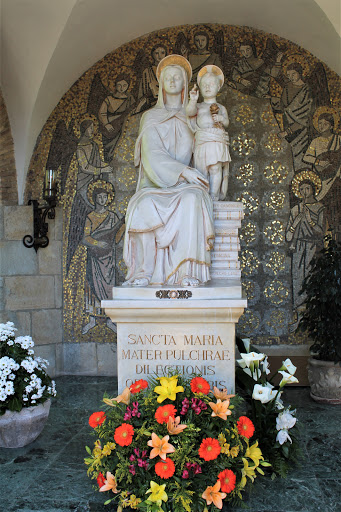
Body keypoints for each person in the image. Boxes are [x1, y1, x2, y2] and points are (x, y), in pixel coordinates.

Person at [123, 55, 215, 287]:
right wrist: (183, 171)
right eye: (168, 78)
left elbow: (205, 147)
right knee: (142, 205)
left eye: (177, 78)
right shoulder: (150, 117)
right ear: (160, 83)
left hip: (185, 187)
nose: (173, 81)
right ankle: (144, 272)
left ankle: (186, 272)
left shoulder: (193, 116)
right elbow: (152, 154)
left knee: (193, 198)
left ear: (185, 84)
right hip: (155, 186)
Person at [82, 180, 125, 334]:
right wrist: (97, 243)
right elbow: (85, 238)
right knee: (93, 284)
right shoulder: (90, 217)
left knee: (109, 285)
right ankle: (93, 319)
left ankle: (109, 319)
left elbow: (116, 238)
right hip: (95, 257)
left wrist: (123, 225)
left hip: (108, 257)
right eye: (99, 197)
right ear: (94, 198)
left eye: (104, 197)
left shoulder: (112, 216)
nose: (102, 200)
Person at [286, 170, 325, 330]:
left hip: (311, 247)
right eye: (301, 189)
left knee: (309, 277)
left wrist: (309, 220)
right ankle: (298, 316)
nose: (304, 192)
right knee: (297, 279)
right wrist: (295, 222)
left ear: (313, 189)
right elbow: (288, 236)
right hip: (298, 248)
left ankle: (311, 317)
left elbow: (320, 232)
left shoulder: (319, 208)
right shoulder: (296, 209)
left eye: (307, 188)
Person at [186, 65, 231, 200]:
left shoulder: (221, 107)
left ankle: (213, 196)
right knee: (201, 171)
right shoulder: (199, 106)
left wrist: (221, 118)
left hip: (217, 140)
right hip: (202, 141)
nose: (207, 87)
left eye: (211, 84)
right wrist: (193, 100)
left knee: (215, 169)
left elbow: (227, 122)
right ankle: (202, 196)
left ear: (218, 87)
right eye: (204, 84)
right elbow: (189, 112)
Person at [270, 62, 313, 172]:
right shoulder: (287, 87)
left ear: (300, 73)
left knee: (299, 155)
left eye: (293, 74)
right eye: (288, 75)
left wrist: (288, 132)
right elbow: (282, 106)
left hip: (301, 130)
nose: (291, 77)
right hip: (285, 123)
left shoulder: (306, 90)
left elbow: (305, 116)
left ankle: (303, 179)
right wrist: (271, 99)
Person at [98, 73, 136, 161]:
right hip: (111, 127)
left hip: (124, 127)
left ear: (128, 86)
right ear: (115, 85)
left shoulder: (130, 99)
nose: (122, 88)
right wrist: (106, 124)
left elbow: (133, 112)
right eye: (119, 85)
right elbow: (102, 113)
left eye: (124, 85)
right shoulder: (109, 99)